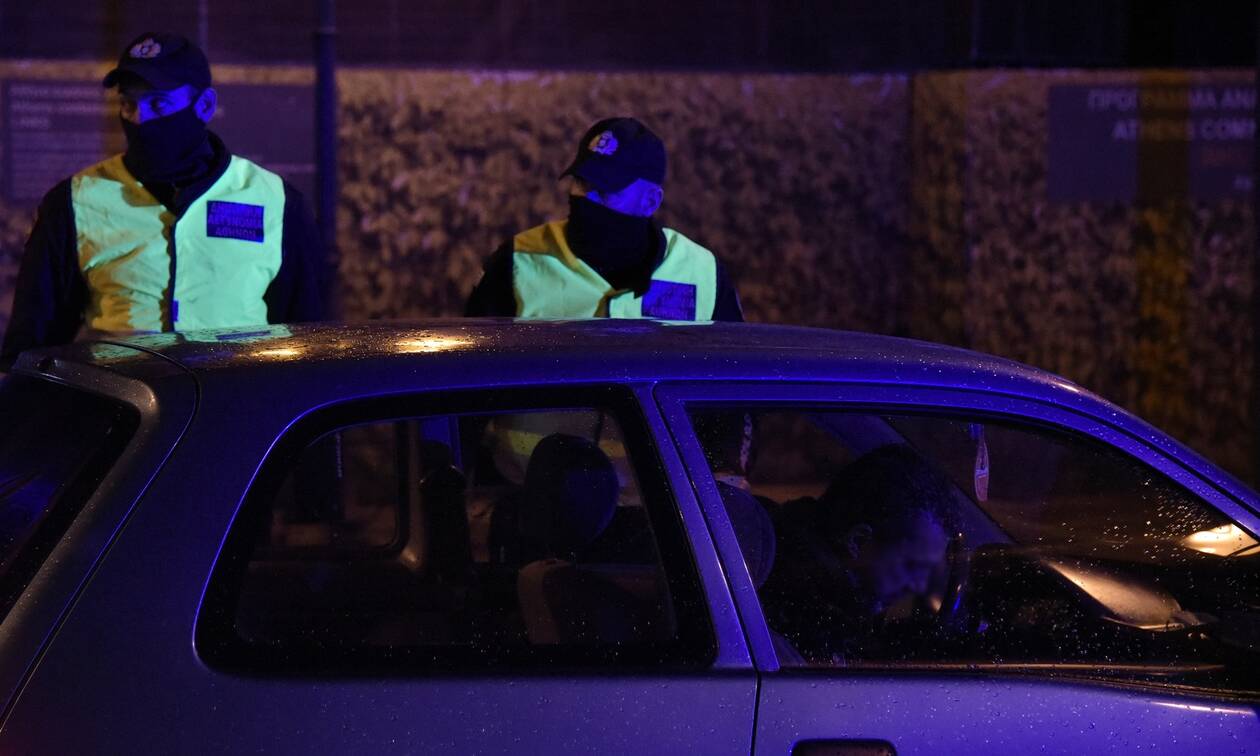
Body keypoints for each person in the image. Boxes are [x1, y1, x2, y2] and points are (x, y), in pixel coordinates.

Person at [0, 31, 326, 366]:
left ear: (204, 105)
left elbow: (309, 341)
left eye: (159, 104)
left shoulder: (276, 202)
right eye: (128, 105)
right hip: (122, 395)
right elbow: (32, 346)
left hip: (238, 396)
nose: (140, 119)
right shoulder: (74, 201)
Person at [465, 117, 742, 321]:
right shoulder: (518, 260)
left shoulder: (702, 273)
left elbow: (733, 377)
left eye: (607, 189)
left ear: (650, 201)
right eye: (582, 182)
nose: (588, 198)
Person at [759, 444, 951, 665]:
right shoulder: (802, 616)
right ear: (858, 541)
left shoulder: (830, 601)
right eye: (911, 565)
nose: (919, 586)